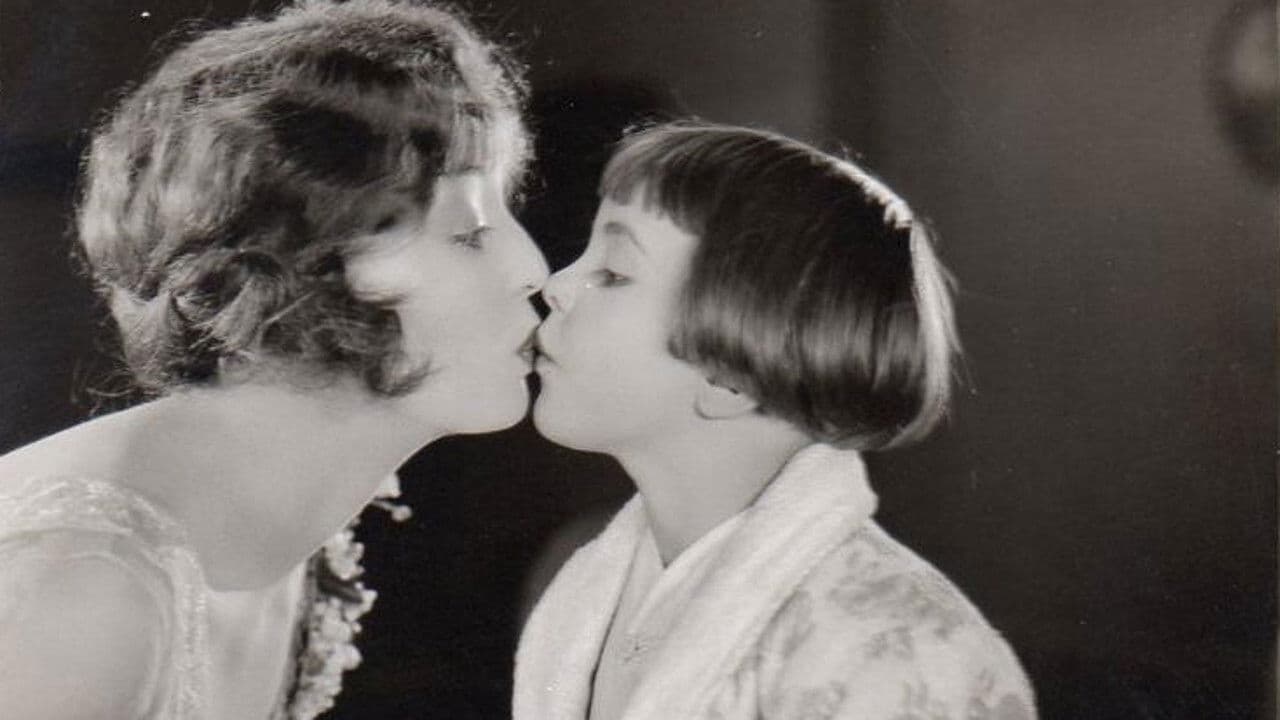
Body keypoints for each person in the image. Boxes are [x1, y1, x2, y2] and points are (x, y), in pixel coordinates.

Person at [0, 1, 547, 718]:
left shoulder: (290, 528)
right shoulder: (83, 586)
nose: (533, 268)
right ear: (306, 266)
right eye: (469, 234)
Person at [516, 123, 1036, 720]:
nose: (556, 285)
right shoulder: (587, 594)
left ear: (729, 377)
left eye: (612, 273)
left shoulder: (902, 647)